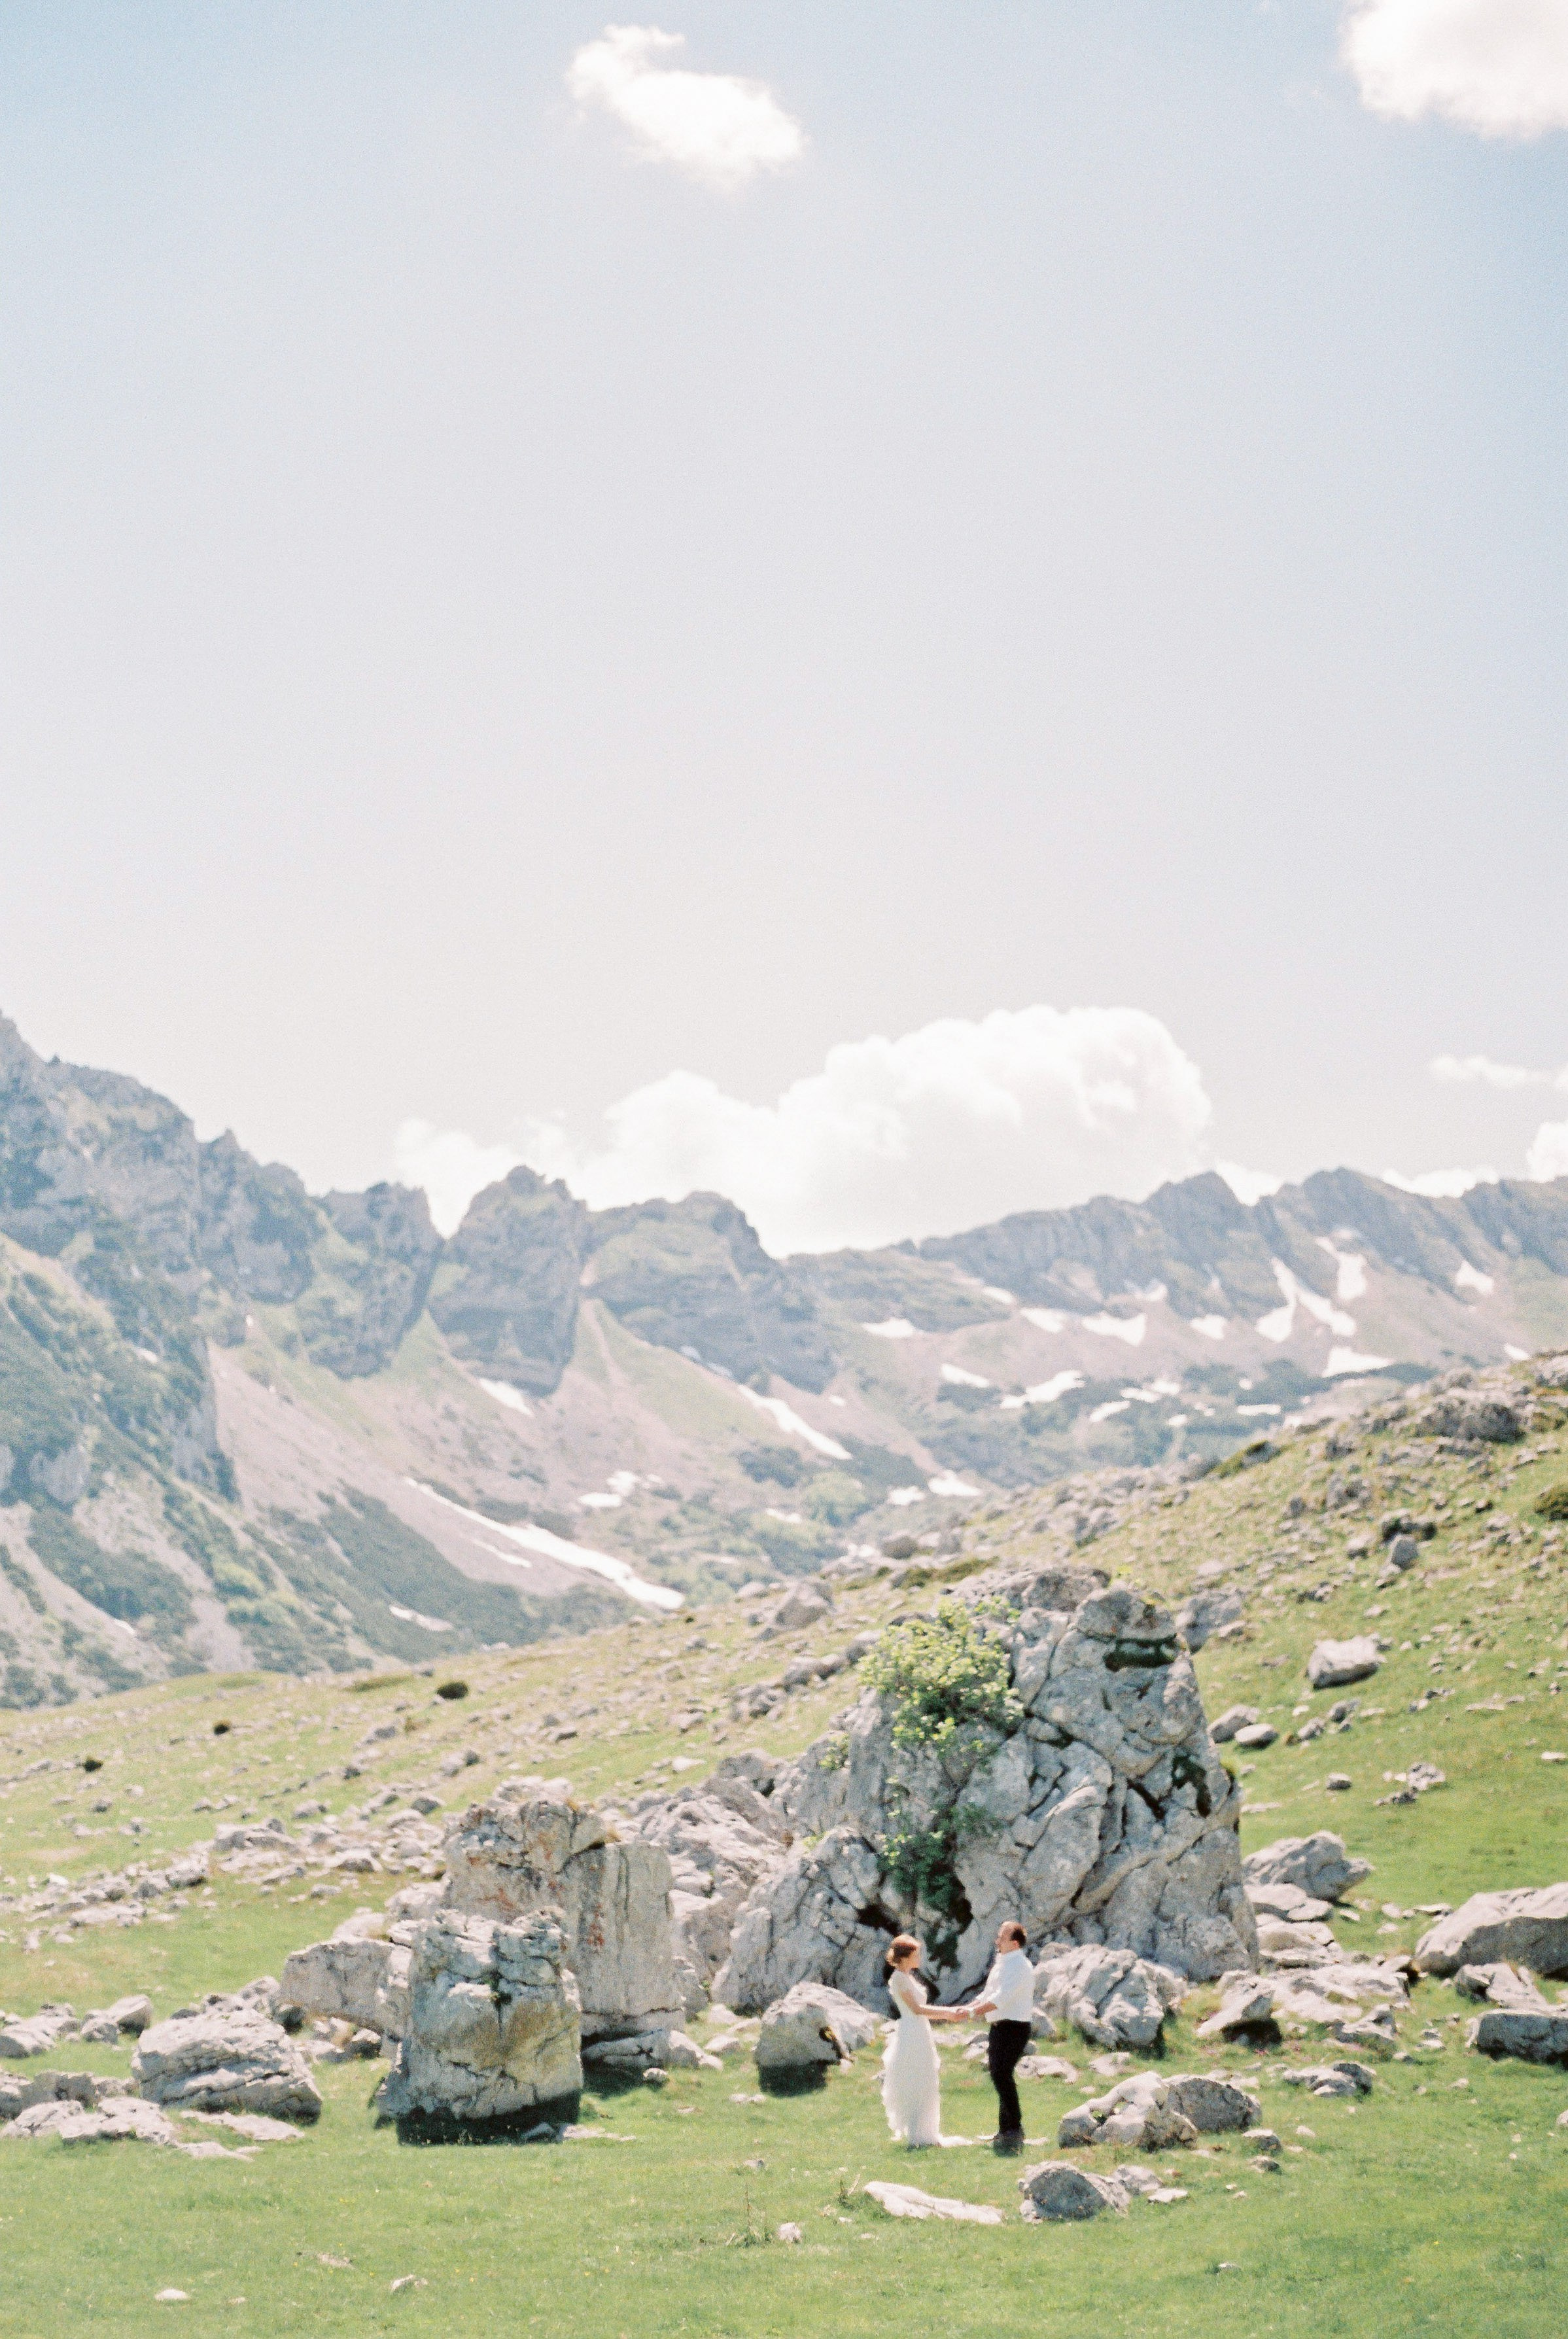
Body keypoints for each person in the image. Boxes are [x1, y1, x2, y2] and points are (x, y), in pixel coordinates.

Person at [880, 1933, 964, 2147]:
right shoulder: (899, 1978)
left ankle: (927, 2132)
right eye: (916, 1954)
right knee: (917, 2078)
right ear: (905, 1956)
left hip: (919, 2030)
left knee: (926, 2078)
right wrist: (948, 2013)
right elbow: (916, 2009)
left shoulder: (908, 1976)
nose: (919, 1958)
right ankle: (918, 2134)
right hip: (912, 2031)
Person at [967, 1920, 1034, 2151]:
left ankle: (1015, 2128)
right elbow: (989, 1993)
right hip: (999, 2026)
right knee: (999, 2073)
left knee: (1001, 2074)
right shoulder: (1002, 1964)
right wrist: (971, 2005)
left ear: (1014, 1943)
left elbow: (1001, 1998)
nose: (997, 1941)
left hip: (1015, 2027)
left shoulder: (1021, 1966)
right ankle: (1004, 2130)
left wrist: (973, 2012)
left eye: (1002, 1938)